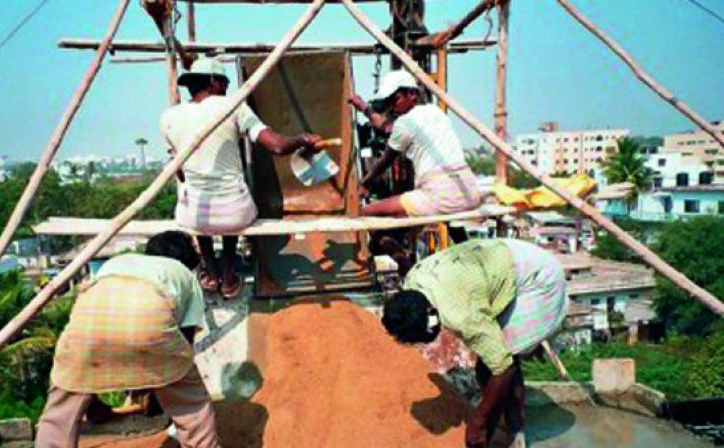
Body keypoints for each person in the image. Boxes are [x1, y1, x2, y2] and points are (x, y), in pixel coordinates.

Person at [35, 231, 219, 448]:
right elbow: (184, 342)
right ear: (187, 257)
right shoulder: (184, 275)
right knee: (191, 402)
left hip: (85, 328)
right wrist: (157, 383)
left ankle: (92, 414)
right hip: (150, 326)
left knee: (67, 392)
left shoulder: (116, 263)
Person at [380, 239, 568, 448]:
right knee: (490, 365)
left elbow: (503, 368)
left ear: (430, 322)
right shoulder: (413, 282)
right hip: (499, 259)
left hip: (537, 280)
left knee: (496, 365)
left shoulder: (462, 316)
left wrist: (478, 421)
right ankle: (500, 425)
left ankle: (512, 432)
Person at [160, 57, 322, 299]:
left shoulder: (169, 117)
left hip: (193, 216)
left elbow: (180, 172)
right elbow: (277, 146)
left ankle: (211, 271)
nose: (227, 89)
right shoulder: (234, 106)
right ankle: (227, 273)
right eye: (225, 83)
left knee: (196, 196)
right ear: (214, 82)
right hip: (233, 215)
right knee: (230, 200)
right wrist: (302, 139)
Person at [351, 70, 481, 217]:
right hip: (469, 188)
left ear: (412, 94)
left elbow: (385, 162)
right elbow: (387, 127)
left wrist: (364, 184)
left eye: (395, 99)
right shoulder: (435, 112)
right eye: (388, 102)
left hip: (440, 194)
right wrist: (363, 107)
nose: (391, 107)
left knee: (366, 212)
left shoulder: (405, 123)